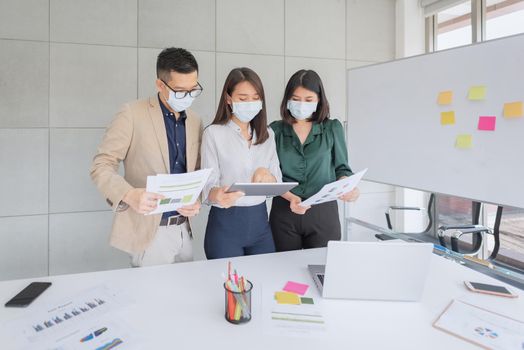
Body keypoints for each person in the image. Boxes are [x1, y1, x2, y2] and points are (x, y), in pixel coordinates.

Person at [91, 48, 203, 267]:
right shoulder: (131, 113)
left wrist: (196, 200)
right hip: (149, 231)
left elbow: (195, 171)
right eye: (181, 91)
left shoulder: (195, 120)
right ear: (160, 85)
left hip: (184, 229)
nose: (188, 97)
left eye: (193, 89)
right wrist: (129, 194)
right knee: (153, 298)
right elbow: (101, 165)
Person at [269, 69, 360, 251]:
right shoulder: (275, 130)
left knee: (323, 271)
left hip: (323, 212)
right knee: (283, 270)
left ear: (319, 101)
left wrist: (348, 186)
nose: (301, 104)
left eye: (308, 100)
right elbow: (271, 175)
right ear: (287, 99)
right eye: (295, 99)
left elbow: (342, 168)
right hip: (284, 211)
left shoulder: (332, 128)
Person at [201, 67, 282, 259]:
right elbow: (206, 187)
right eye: (243, 99)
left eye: (255, 98)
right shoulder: (213, 133)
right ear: (228, 99)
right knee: (228, 287)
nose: (250, 103)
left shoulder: (268, 135)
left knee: (265, 279)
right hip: (225, 226)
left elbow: (276, 183)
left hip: (260, 224)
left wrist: (267, 176)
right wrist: (217, 194)